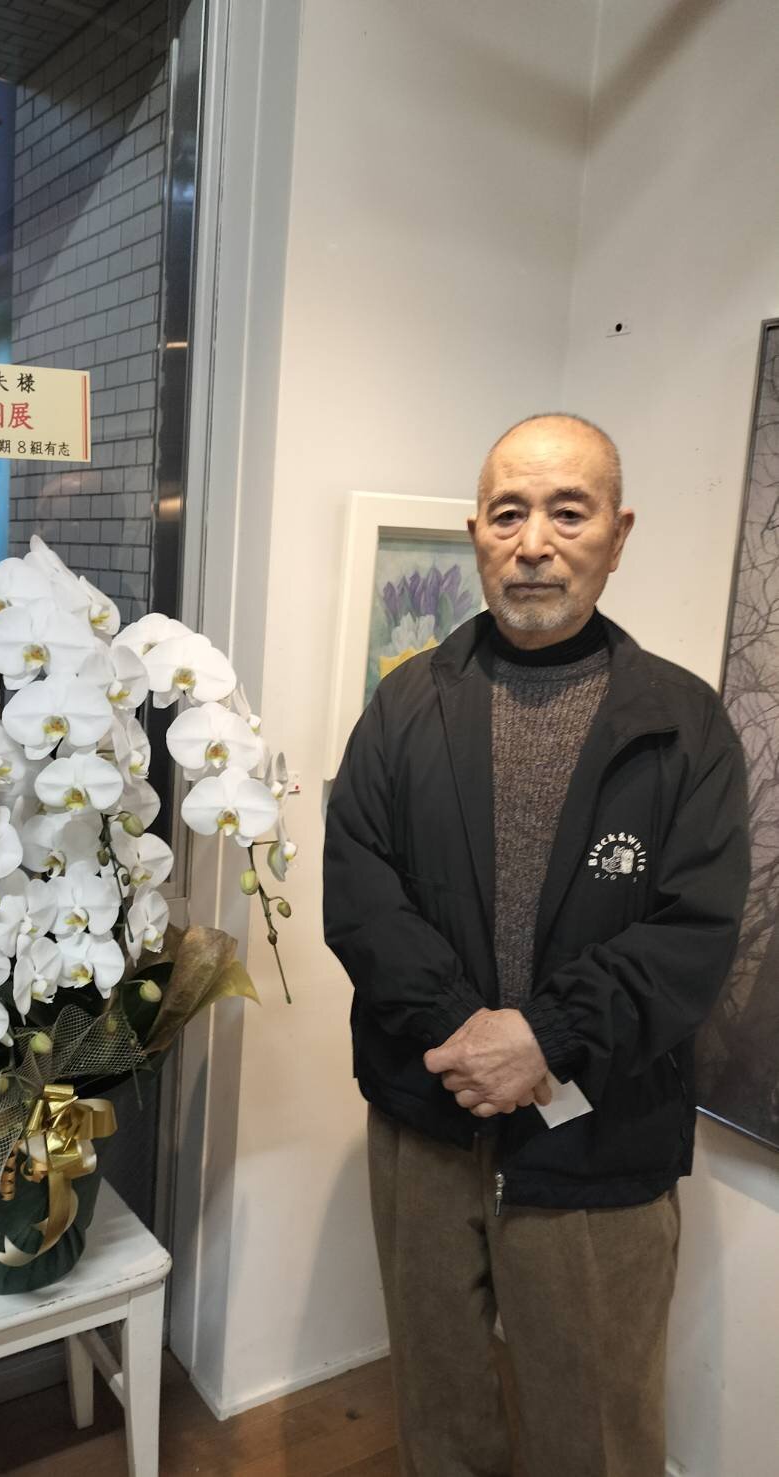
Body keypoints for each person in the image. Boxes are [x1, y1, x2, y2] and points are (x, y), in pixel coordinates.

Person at [323, 414, 749, 1477]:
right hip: (427, 1115)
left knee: (596, 1425)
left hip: (601, 1131)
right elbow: (360, 892)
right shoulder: (404, 704)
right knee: (439, 1404)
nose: (534, 543)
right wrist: (466, 1033)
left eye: (569, 512)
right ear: (476, 533)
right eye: (508, 513)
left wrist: (545, 1039)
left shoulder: (685, 724)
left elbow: (692, 932)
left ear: (618, 534)